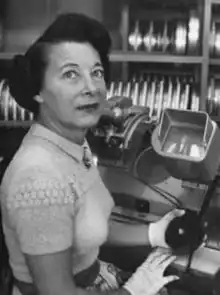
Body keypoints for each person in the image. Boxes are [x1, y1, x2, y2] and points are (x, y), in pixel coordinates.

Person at [0, 13, 183, 295]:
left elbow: (88, 224)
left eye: (96, 73)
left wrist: (154, 233)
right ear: (38, 90)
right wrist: (134, 290)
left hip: (95, 275)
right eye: (70, 74)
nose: (91, 88)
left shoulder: (72, 143)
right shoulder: (38, 179)